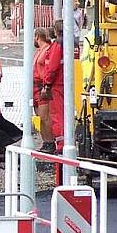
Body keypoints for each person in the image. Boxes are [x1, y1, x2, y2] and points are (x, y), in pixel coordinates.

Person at [43, 20, 65, 151]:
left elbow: (52, 67)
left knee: (57, 115)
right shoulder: (72, 43)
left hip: (57, 84)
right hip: (67, 82)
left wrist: (46, 83)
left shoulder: (57, 46)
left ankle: (61, 145)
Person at [33, 27, 55, 153]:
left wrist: (46, 86)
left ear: (37, 37)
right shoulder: (39, 51)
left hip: (42, 86)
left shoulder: (47, 50)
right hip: (36, 86)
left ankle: (50, 142)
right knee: (39, 116)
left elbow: (48, 69)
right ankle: (46, 141)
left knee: (44, 116)